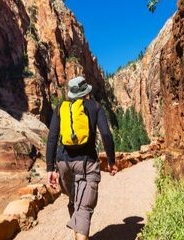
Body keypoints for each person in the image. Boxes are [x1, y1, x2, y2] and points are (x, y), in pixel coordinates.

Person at [46, 76, 117, 240]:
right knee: (84, 207)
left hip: (63, 163)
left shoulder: (61, 108)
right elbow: (106, 135)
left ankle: (78, 235)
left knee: (74, 201)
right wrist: (111, 161)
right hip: (87, 163)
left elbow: (52, 138)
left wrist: (50, 168)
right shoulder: (95, 107)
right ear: (86, 92)